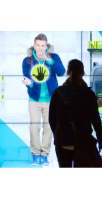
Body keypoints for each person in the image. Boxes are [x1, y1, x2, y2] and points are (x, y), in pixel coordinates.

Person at [49, 59, 102, 168]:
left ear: (67, 72)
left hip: (62, 142)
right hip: (83, 141)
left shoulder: (58, 93)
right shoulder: (89, 94)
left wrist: (58, 135)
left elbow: (52, 119)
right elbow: (96, 121)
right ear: (82, 73)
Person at [22, 34, 66, 166]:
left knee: (49, 127)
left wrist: (49, 61)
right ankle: (35, 155)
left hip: (51, 100)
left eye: (43, 45)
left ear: (46, 46)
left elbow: (62, 72)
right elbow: (27, 78)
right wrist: (29, 83)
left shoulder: (54, 57)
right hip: (34, 100)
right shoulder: (28, 60)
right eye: (38, 45)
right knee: (34, 127)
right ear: (34, 46)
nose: (40, 48)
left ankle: (45, 155)